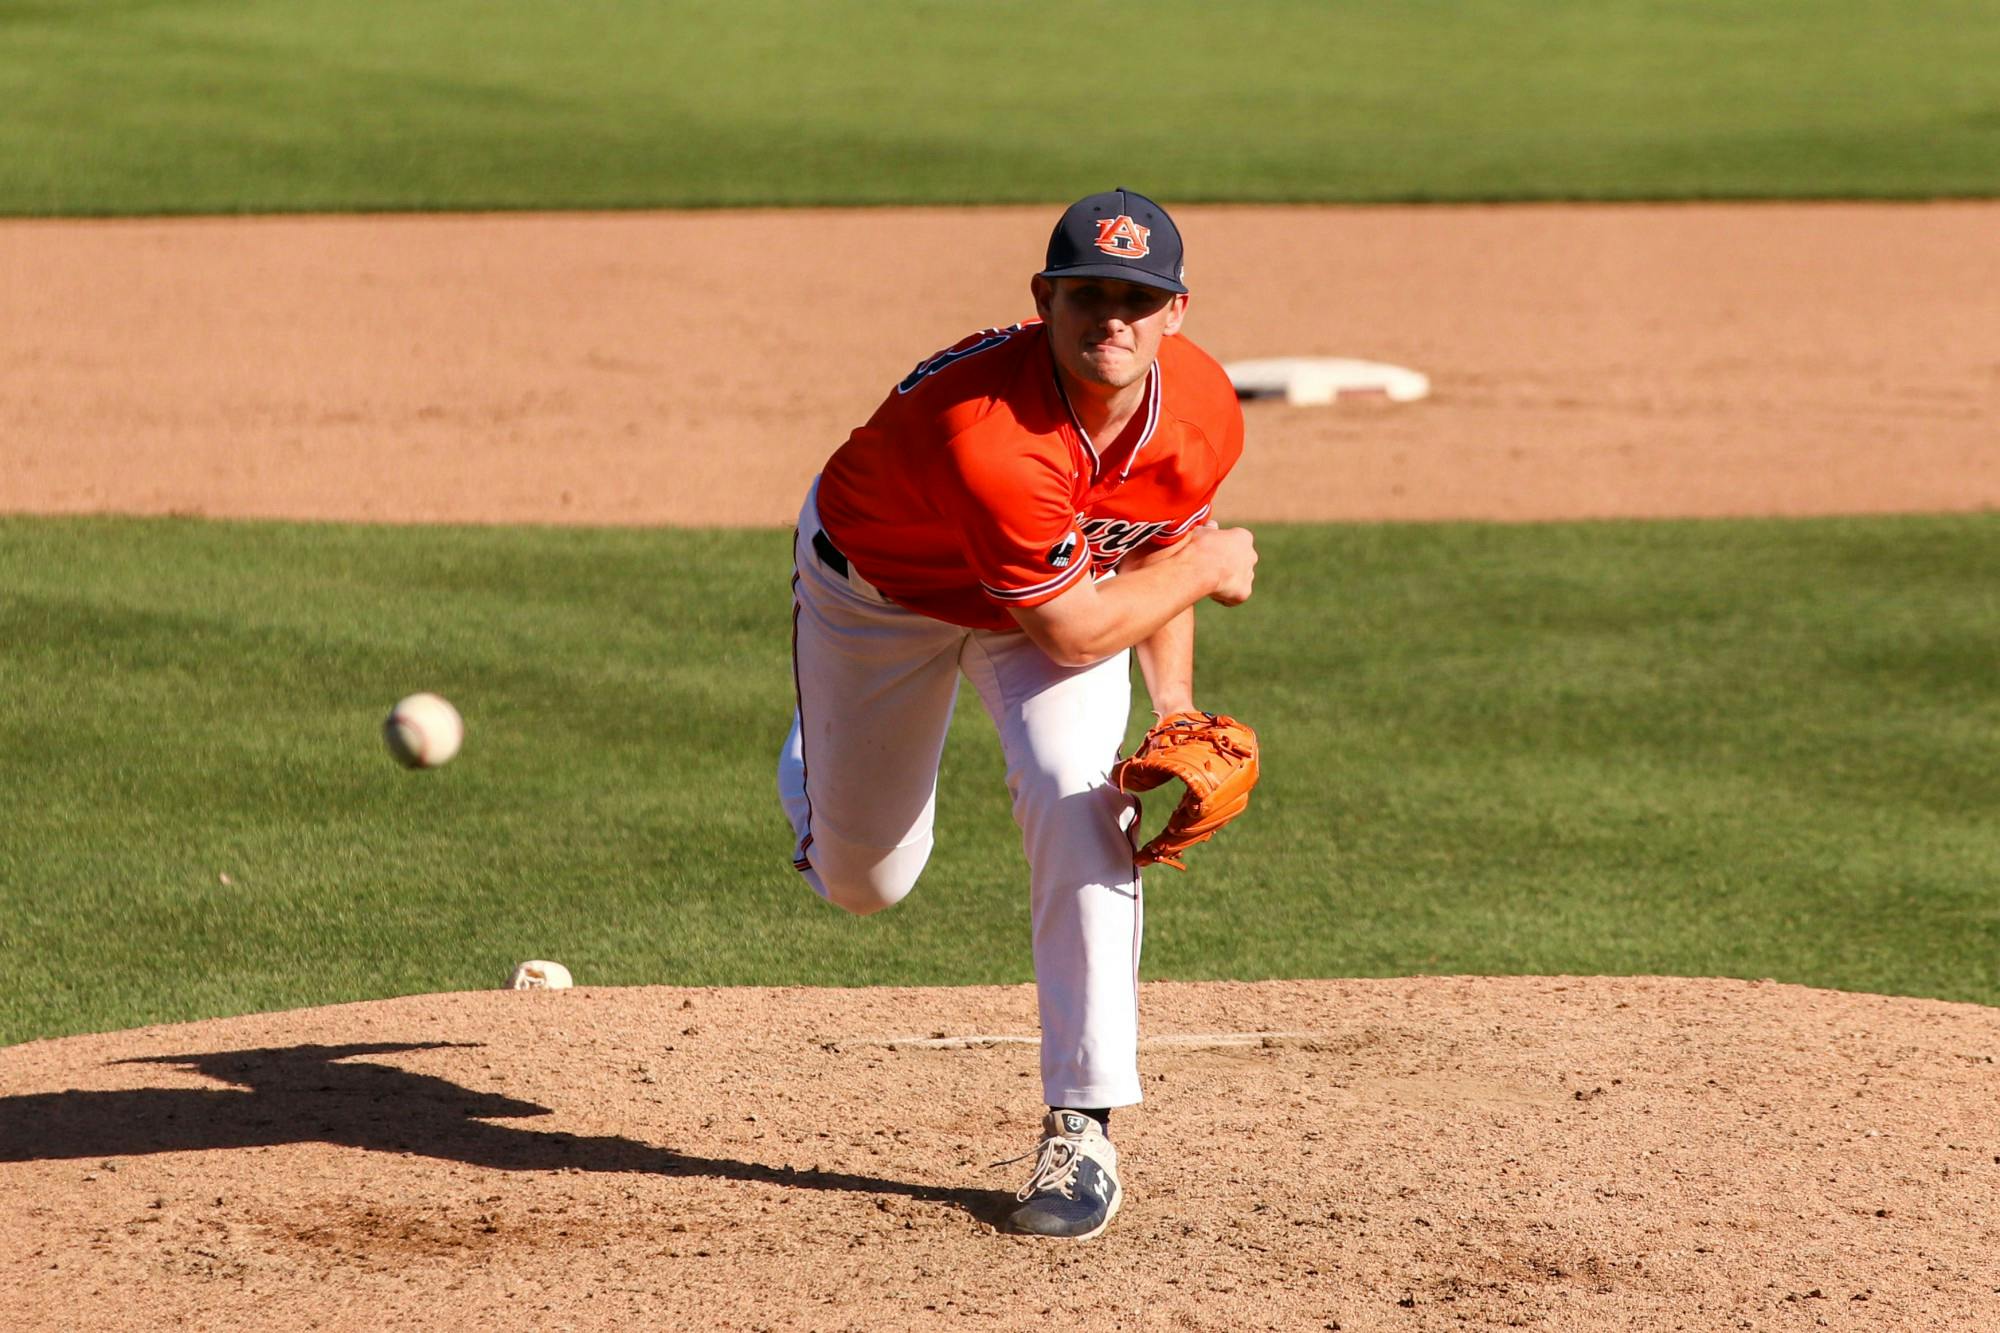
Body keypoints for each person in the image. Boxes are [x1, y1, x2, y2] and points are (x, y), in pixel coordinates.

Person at [777, 188, 1257, 1240]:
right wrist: (1217, 563)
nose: (1111, 319)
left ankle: (1080, 1127)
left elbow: (1158, 555)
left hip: (1051, 593)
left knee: (1084, 798)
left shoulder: (1203, 407)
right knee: (864, 883)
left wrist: (1171, 708)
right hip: (879, 596)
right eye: (1087, 293)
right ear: (1044, 300)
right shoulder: (989, 434)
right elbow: (1083, 632)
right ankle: (819, 749)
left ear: (1174, 312)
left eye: (1137, 297)